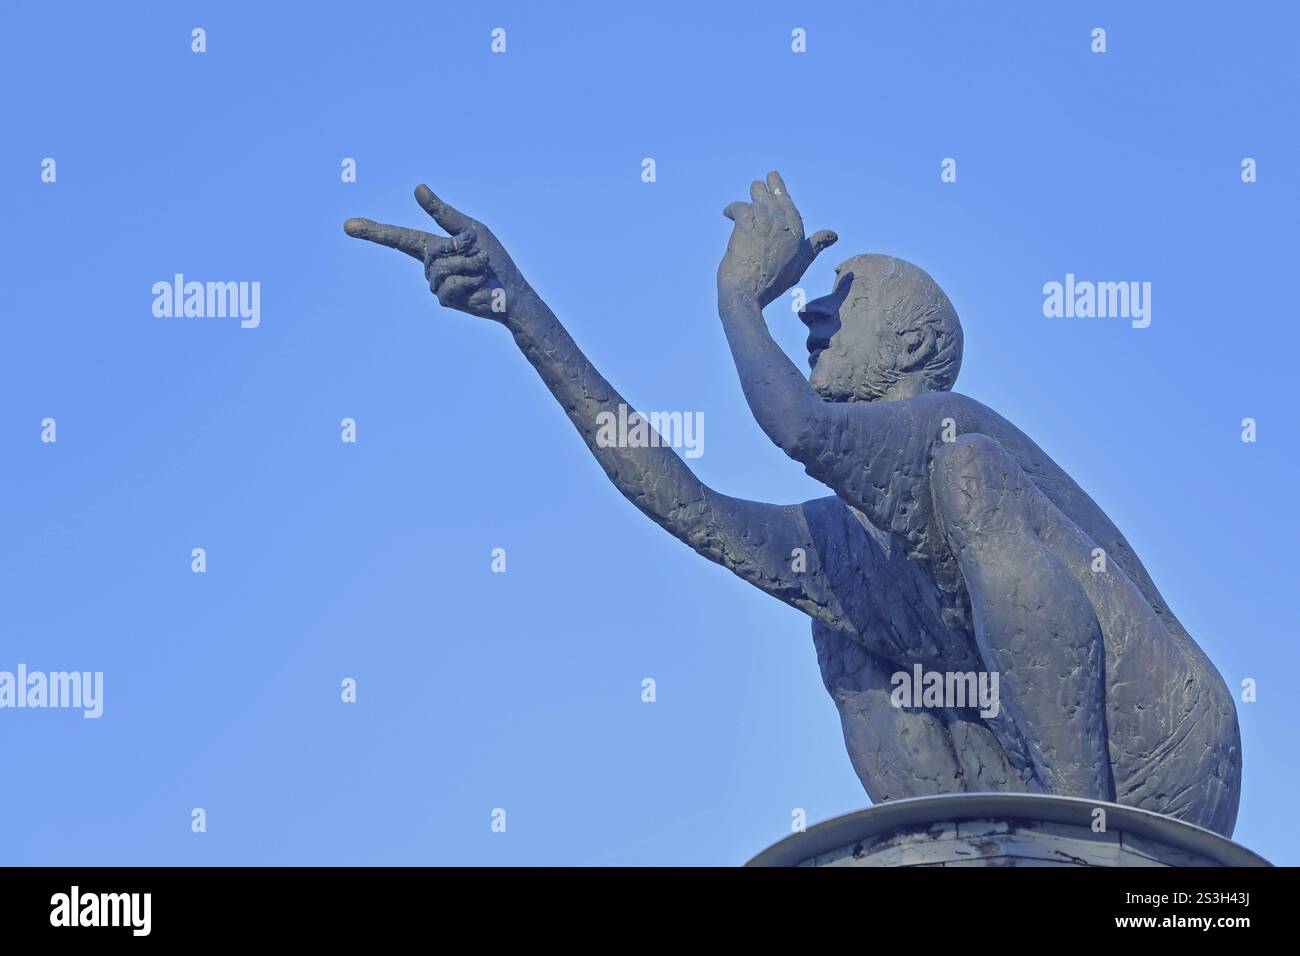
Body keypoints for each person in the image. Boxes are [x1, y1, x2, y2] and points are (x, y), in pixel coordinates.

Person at [344, 172, 1241, 836]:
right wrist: (523, 313)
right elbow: (682, 502)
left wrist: (740, 301)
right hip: (1021, 764)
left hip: (1162, 752)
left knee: (973, 479)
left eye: (840, 308)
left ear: (914, 344)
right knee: (832, 608)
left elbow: (799, 428)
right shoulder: (853, 533)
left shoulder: (946, 427)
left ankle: (1073, 839)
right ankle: (945, 844)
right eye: (811, 306)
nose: (812, 318)